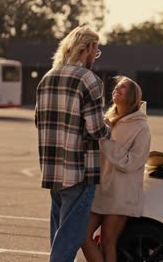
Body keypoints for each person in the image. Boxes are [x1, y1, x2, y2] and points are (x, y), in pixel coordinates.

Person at [35, 25, 110, 262]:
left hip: (52, 171)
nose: (95, 57)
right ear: (87, 48)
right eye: (95, 51)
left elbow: (39, 120)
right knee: (69, 241)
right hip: (79, 172)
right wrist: (109, 128)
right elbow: (96, 129)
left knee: (59, 238)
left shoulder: (48, 77)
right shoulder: (89, 80)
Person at [81, 75, 151, 262]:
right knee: (82, 236)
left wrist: (106, 140)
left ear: (132, 97)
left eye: (122, 88)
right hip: (101, 190)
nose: (116, 90)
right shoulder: (108, 121)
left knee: (108, 243)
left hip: (122, 195)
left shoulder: (141, 127)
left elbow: (132, 162)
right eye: (116, 87)